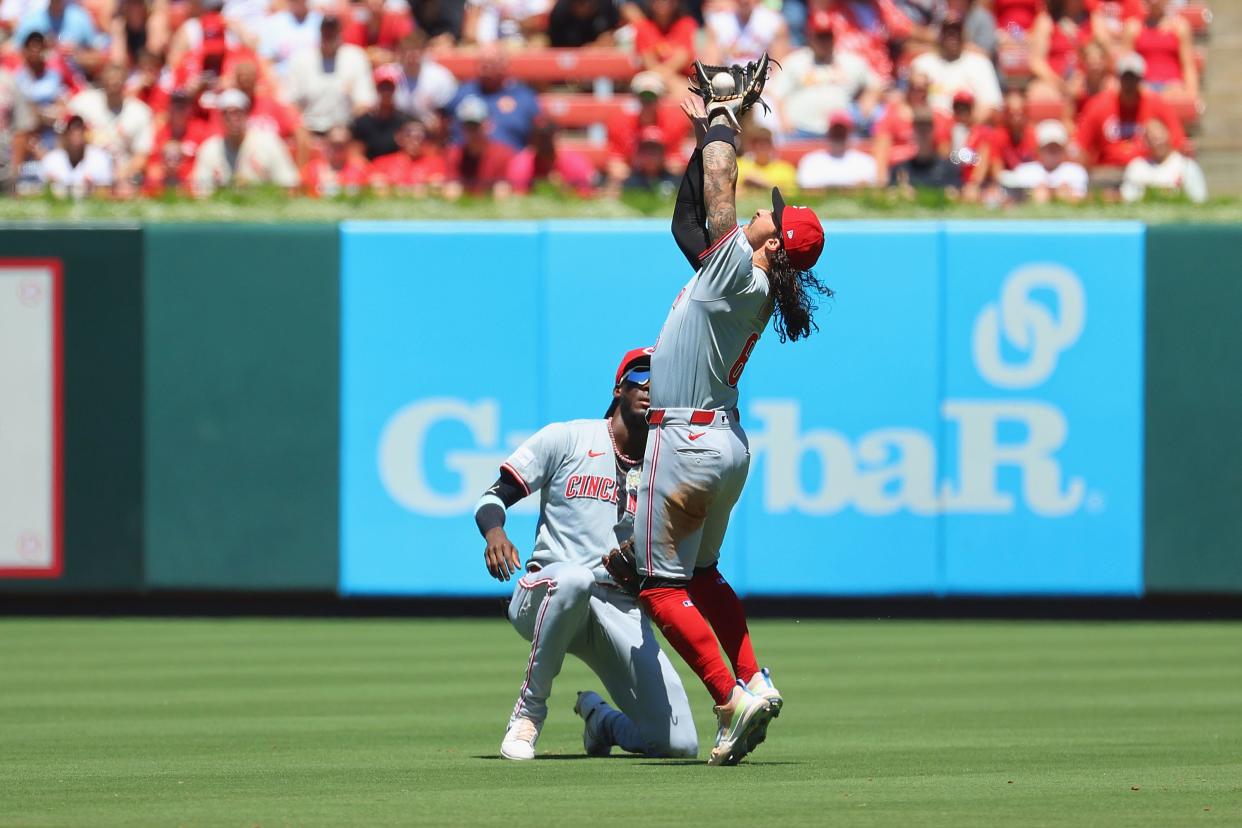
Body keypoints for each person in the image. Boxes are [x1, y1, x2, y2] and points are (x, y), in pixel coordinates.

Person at [636, 91, 830, 766]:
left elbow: (718, 191)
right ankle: (754, 676)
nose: (759, 212)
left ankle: (728, 699)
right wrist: (702, 134)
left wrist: (723, 114)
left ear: (774, 242)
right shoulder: (742, 277)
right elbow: (687, 220)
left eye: (771, 218)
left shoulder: (737, 274)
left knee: (660, 586)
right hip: (724, 441)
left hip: (685, 439)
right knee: (707, 574)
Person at [478, 348, 698, 762]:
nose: (649, 385)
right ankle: (528, 714)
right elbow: (494, 496)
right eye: (639, 376)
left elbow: (676, 553)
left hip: (616, 603)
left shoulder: (666, 467)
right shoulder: (569, 437)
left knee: (679, 745)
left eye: (659, 378)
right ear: (619, 388)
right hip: (547, 591)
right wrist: (494, 532)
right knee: (574, 579)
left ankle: (602, 721)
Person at [768, 10, 883, 139]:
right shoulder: (795, 61)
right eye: (819, 37)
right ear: (810, 37)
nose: (824, 42)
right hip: (801, 130)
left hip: (840, 131)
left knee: (878, 112)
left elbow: (876, 84)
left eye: (827, 37)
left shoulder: (850, 61)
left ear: (834, 37)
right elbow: (777, 95)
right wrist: (784, 120)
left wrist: (869, 99)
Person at [1076, 51, 1186, 169]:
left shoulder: (1157, 104)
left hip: (1148, 169)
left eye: (1133, 78)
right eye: (1126, 78)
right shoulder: (1099, 105)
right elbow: (1081, 144)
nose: (1129, 84)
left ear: (1141, 79)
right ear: (1118, 78)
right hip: (1108, 170)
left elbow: (1177, 141)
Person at [192, 88, 300, 192]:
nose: (233, 118)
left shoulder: (269, 143)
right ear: (221, 118)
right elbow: (201, 193)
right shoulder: (210, 150)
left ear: (247, 115)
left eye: (238, 112)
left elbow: (289, 184)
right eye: (227, 113)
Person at [286, 15, 377, 135]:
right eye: (326, 30)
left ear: (340, 32)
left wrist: (345, 125)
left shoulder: (355, 57)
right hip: (309, 129)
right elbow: (290, 103)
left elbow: (365, 102)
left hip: (344, 131)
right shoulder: (301, 60)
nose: (329, 34)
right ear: (320, 32)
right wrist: (302, 130)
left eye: (332, 30)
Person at [69, 61, 154, 188]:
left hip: (122, 172)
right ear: (102, 80)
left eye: (117, 81)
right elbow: (65, 133)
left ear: (125, 82)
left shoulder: (140, 112)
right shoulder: (83, 103)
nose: (113, 84)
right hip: (85, 168)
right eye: (109, 80)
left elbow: (141, 154)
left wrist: (122, 176)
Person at [449, 45, 538, 150]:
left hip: (511, 161)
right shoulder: (462, 93)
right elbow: (444, 125)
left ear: (505, 65)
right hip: (468, 161)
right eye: (482, 63)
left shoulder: (523, 96)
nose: (486, 68)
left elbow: (537, 133)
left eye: (491, 63)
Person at [911, 15, 1001, 117]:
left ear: (964, 35)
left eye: (956, 31)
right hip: (929, 126)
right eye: (947, 31)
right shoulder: (921, 63)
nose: (952, 35)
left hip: (968, 125)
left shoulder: (980, 64)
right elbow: (907, 105)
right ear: (939, 35)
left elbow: (992, 105)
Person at [502, 114, 595, 195]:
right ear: (533, 140)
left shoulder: (575, 164)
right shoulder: (521, 164)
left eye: (547, 138)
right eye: (541, 138)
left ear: (557, 137)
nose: (545, 143)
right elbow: (516, 200)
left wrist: (563, 190)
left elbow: (588, 198)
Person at [1119, 117, 1206, 204]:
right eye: (1153, 139)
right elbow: (1127, 199)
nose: (1157, 143)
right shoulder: (1136, 168)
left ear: (1169, 135)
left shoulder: (1187, 167)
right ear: (1146, 142)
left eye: (1160, 138)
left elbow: (1198, 200)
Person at [1123, 0, 1197, 100]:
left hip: (1173, 87)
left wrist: (1191, 94)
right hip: (1143, 87)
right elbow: (1126, 66)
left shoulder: (1179, 27)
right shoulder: (1133, 27)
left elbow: (1188, 66)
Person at [1001, 118, 1088, 202]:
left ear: (1063, 150)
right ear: (1039, 149)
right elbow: (1013, 201)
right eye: (1048, 148)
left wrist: (1063, 196)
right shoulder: (1024, 171)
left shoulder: (1076, 172)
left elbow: (1081, 200)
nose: (1052, 152)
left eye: (1056, 148)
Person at [795, 110, 877, 188]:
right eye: (835, 133)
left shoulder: (865, 163)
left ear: (849, 135)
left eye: (842, 133)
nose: (838, 138)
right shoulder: (811, 162)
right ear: (828, 133)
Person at [369, 117, 450, 193]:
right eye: (409, 135)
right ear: (399, 138)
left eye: (420, 137)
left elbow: (438, 185)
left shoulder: (435, 163)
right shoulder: (381, 163)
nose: (415, 141)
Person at [391, 32, 458, 124]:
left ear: (424, 52)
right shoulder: (390, 74)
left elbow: (448, 113)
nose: (411, 57)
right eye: (407, 51)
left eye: (415, 51)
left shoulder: (441, 77)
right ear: (399, 52)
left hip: (430, 130)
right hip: (397, 128)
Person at [39, 113, 113, 195]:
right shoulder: (51, 159)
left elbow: (106, 191)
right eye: (71, 130)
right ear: (64, 135)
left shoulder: (99, 158)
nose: (76, 134)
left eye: (80, 129)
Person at [889, 105, 960, 191]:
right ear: (913, 130)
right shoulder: (901, 170)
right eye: (919, 127)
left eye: (927, 127)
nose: (923, 133)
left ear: (933, 130)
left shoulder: (948, 170)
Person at [633, 0, 697, 88]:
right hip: (652, 81)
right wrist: (670, 81)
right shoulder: (643, 27)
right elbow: (649, 63)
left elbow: (682, 58)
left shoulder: (686, 24)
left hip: (683, 78)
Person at [350, 64, 410, 160]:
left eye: (390, 88)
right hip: (370, 171)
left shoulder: (404, 121)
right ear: (376, 89)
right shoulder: (362, 122)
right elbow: (357, 154)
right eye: (382, 88)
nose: (386, 92)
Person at [703, 0, 789, 65]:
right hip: (728, 84)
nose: (744, 1)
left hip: (764, 84)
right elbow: (711, 63)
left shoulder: (774, 22)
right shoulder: (717, 23)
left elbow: (780, 65)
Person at [302, 124, 370, 195]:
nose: (337, 149)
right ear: (325, 144)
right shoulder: (312, 169)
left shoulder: (360, 169)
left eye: (341, 145)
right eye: (333, 144)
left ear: (349, 146)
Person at [737, 124, 796, 193]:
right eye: (756, 142)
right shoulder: (738, 166)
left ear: (772, 145)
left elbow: (790, 196)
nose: (761, 146)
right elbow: (731, 192)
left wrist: (763, 183)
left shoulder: (785, 169)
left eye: (766, 142)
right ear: (750, 146)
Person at [622, 127, 678, 193]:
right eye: (646, 149)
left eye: (655, 150)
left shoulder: (676, 182)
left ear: (663, 153)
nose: (650, 155)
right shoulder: (630, 183)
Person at [546, 0, 618, 47]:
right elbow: (555, 46)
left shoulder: (606, 6)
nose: (585, 6)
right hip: (571, 56)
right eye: (581, 3)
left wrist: (607, 39)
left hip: (602, 55)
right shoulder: (560, 12)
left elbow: (617, 31)